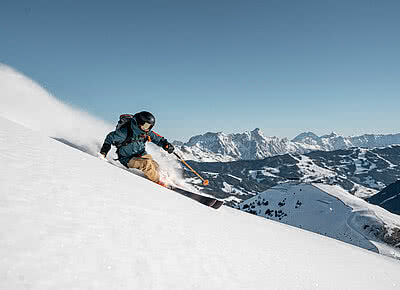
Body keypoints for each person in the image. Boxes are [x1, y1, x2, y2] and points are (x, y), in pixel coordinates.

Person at [99, 111, 174, 186]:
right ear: (137, 123)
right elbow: (110, 137)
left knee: (155, 165)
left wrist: (166, 144)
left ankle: (167, 178)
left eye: (149, 127)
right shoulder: (124, 133)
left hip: (141, 154)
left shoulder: (146, 132)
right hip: (127, 159)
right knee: (146, 164)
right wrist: (104, 152)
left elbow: (157, 139)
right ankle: (160, 181)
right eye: (146, 126)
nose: (147, 129)